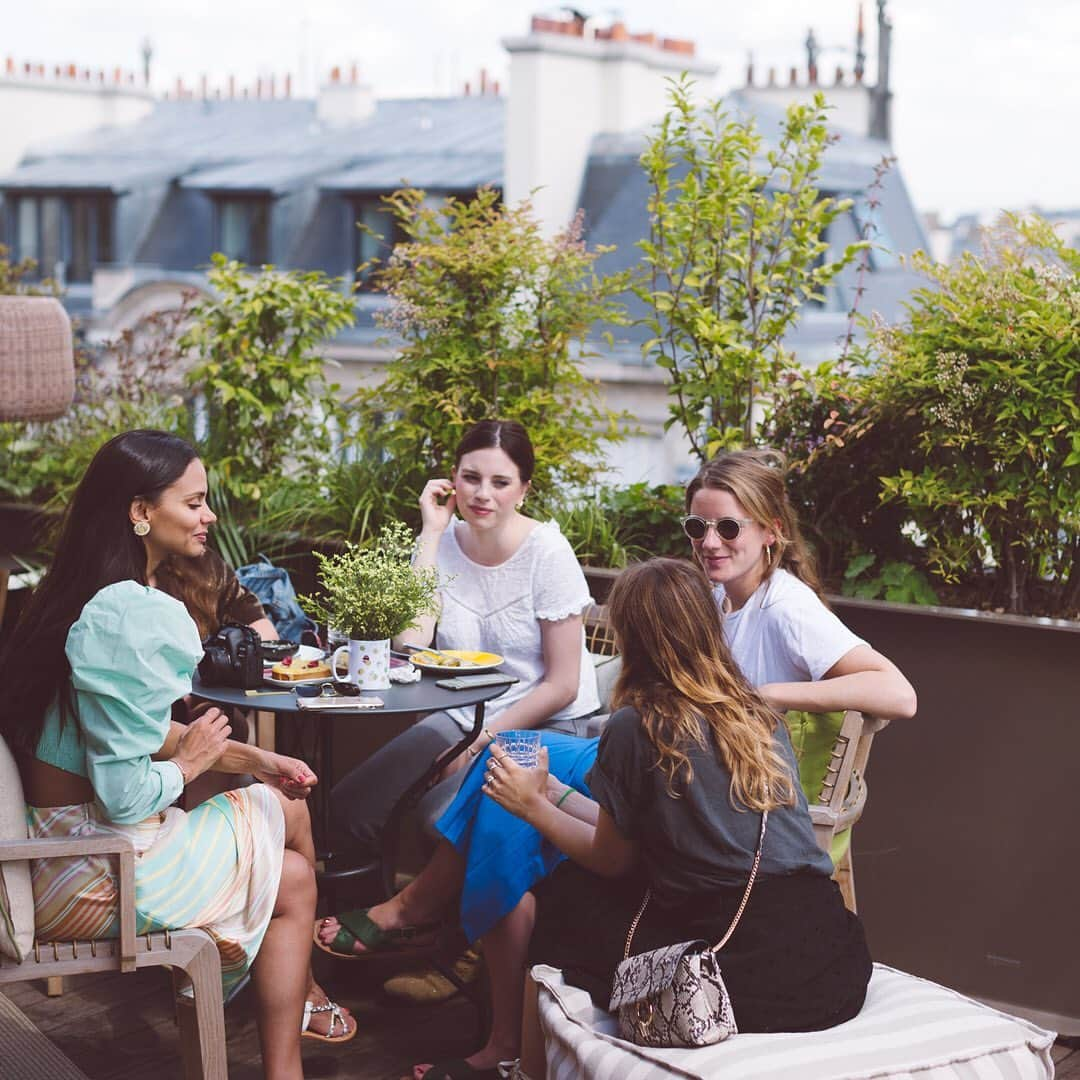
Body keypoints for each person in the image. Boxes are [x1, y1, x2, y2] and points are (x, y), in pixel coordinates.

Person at [330, 447, 915, 1079]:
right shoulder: (716, 606)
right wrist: (549, 793)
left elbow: (620, 855)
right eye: (699, 527)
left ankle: (466, 973)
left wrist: (538, 801)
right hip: (826, 952)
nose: (709, 542)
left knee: (528, 825)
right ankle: (460, 958)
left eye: (727, 527)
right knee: (515, 769)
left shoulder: (776, 614)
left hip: (725, 915)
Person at [0, 430, 354, 1080]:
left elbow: (122, 736)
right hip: (92, 870)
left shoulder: (75, 603)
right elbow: (125, 793)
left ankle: (291, 1006)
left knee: (284, 828)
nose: (208, 516)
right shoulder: (129, 615)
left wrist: (254, 761)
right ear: (140, 512)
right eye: (192, 503)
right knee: (296, 866)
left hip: (62, 851)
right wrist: (193, 763)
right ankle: (296, 1006)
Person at [488, 557, 873, 1037]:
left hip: (743, 969)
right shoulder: (754, 712)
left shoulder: (636, 725)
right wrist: (554, 793)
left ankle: (515, 1057)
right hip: (830, 959)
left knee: (561, 897)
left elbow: (612, 861)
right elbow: (637, 831)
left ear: (631, 638)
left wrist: (531, 808)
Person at [319, 420, 600, 957]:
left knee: (443, 814)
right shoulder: (442, 542)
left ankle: (415, 924)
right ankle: (380, 944)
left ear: (524, 489)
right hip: (463, 710)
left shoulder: (548, 553)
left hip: (545, 721)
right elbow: (413, 638)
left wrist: (479, 742)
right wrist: (430, 532)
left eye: (500, 482)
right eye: (470, 478)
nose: (482, 494)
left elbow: (563, 685)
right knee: (353, 804)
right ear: (452, 479)